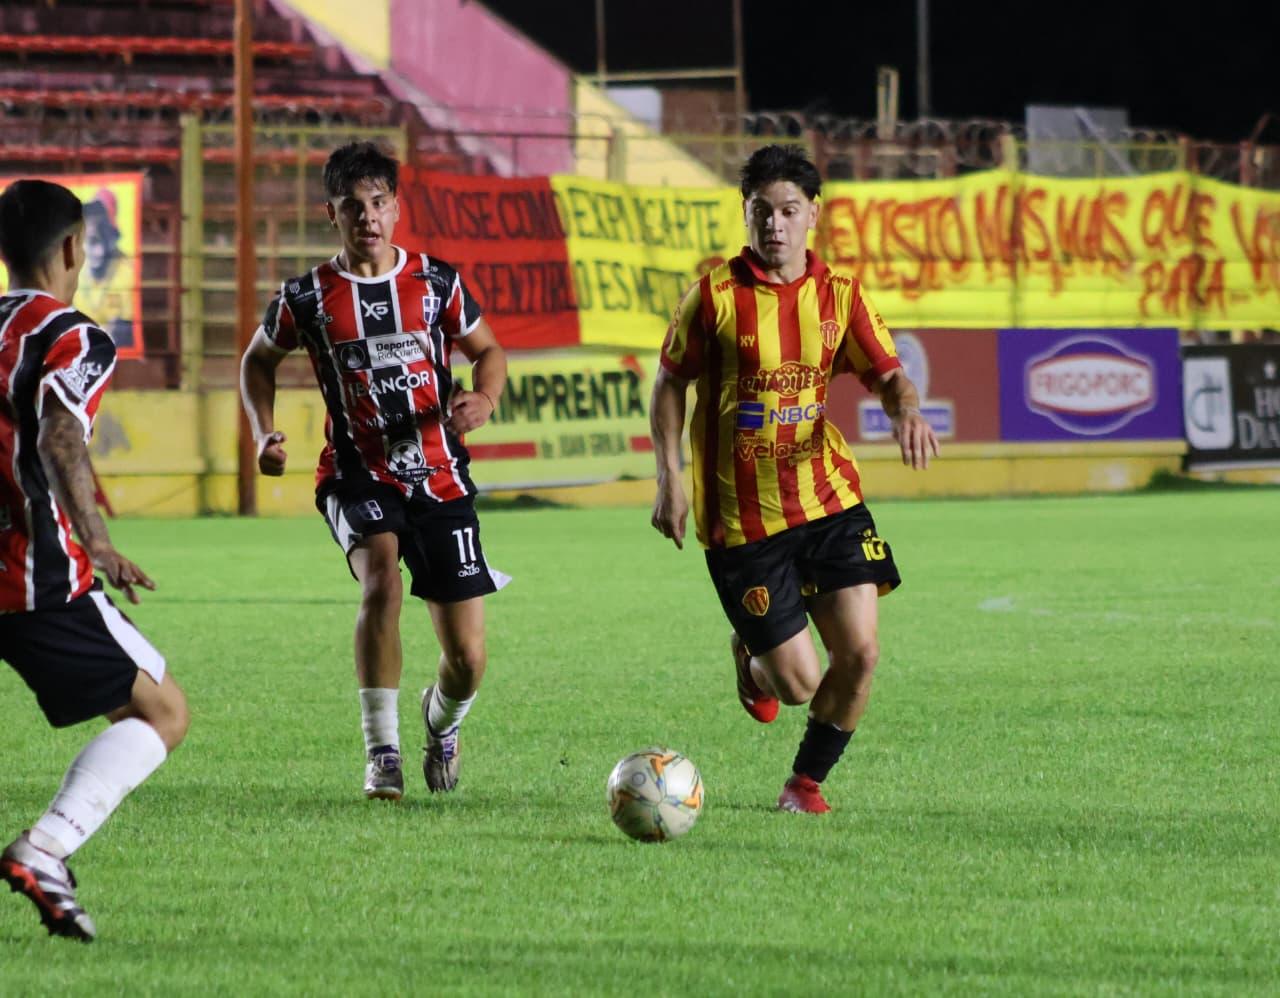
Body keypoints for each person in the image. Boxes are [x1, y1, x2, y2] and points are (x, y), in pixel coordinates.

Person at [649, 145, 939, 814]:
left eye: (787, 210)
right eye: (760, 212)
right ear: (744, 214)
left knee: (861, 654)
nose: (774, 225)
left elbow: (889, 376)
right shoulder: (715, 297)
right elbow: (670, 383)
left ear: (813, 214)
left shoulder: (840, 297)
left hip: (828, 499)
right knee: (800, 683)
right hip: (741, 522)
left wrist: (908, 411)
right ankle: (752, 657)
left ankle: (803, 786)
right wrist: (670, 478)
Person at [240, 142, 509, 802]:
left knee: (468, 659)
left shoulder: (436, 283)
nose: (368, 216)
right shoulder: (305, 297)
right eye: (354, 206)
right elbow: (256, 362)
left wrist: (485, 396)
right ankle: (381, 752)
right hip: (356, 474)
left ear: (396, 207)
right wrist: (262, 433)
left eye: (380, 202)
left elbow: (488, 351)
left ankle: (440, 724)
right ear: (331, 213)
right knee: (381, 579)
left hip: (440, 478)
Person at [0, 179, 189, 940]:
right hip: (30, 575)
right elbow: (58, 438)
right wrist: (98, 540)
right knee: (161, 711)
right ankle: (45, 849)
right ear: (76, 247)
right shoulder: (72, 336)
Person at [75, 189, 136, 351]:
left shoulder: (128, 272)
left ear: (113, 236)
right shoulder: (69, 272)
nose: (99, 252)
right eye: (91, 241)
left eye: (104, 236)